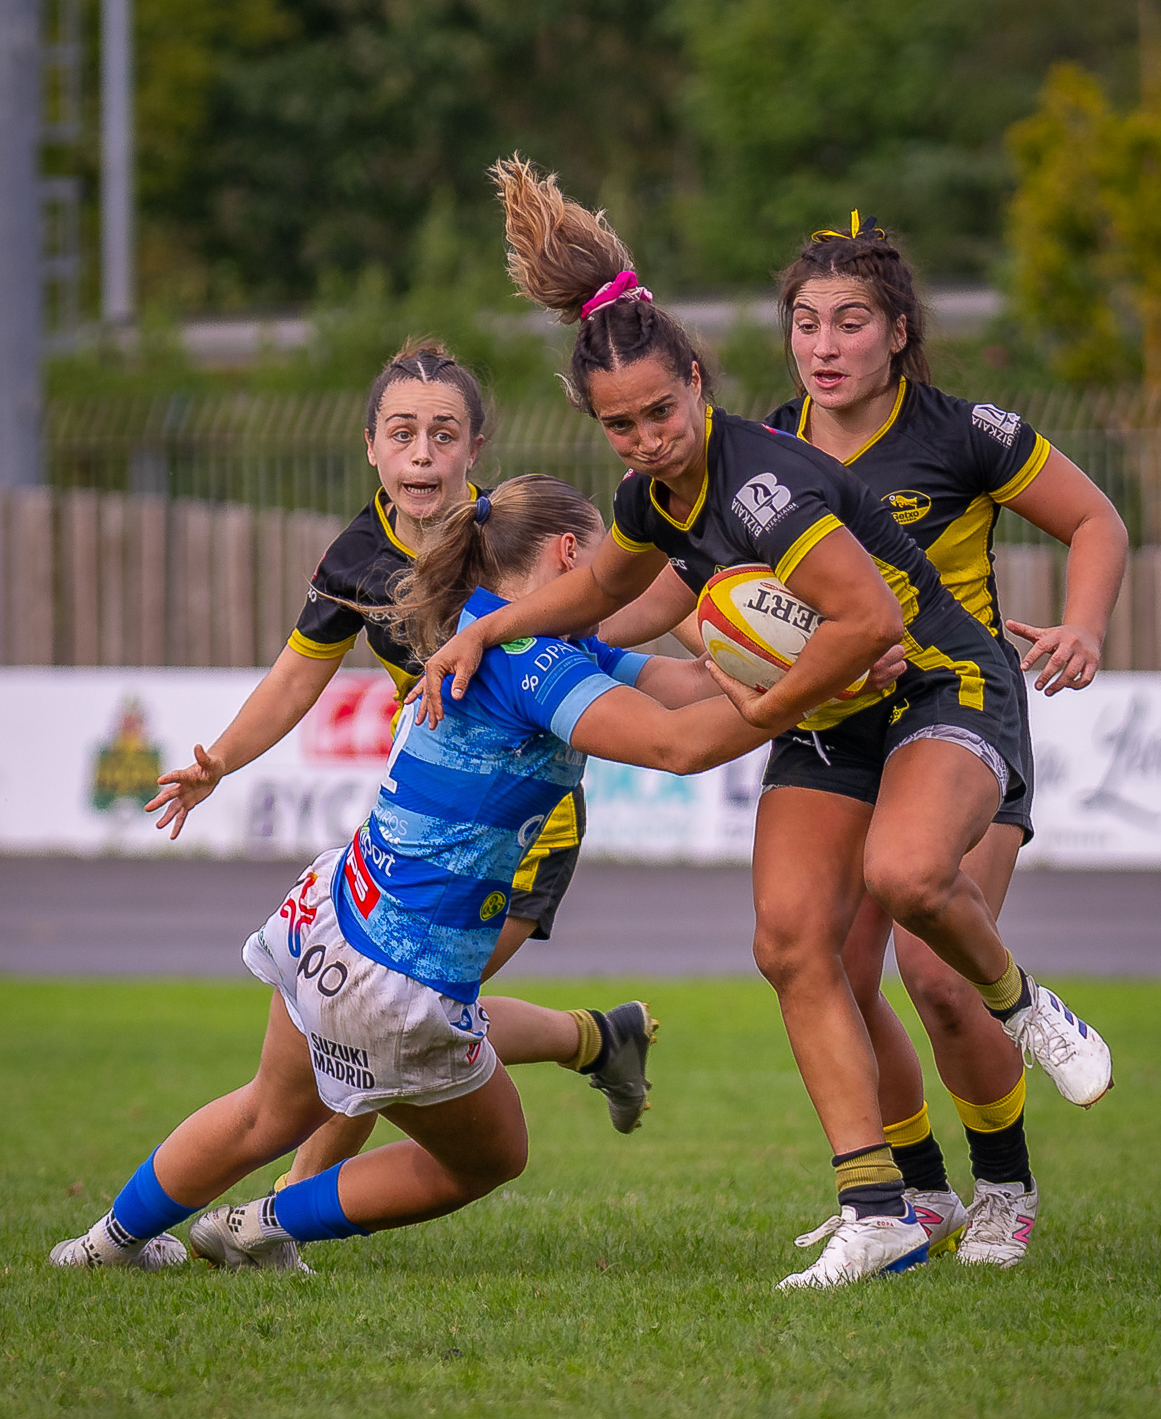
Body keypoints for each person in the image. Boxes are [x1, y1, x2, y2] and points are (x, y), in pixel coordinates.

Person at [414, 157, 1114, 1292]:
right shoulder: (657, 488)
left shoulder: (765, 486)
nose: (643, 438)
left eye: (658, 412)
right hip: (841, 707)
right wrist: (488, 632)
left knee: (903, 883)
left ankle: (1022, 1015)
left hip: (937, 685)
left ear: (697, 383)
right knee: (793, 946)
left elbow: (871, 619)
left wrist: (760, 706)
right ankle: (879, 1204)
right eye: (619, 425)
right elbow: (600, 589)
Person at [51, 476, 770, 1275]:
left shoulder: (486, 626)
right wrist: (811, 687)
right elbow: (677, 747)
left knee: (267, 1112)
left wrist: (785, 668)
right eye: (602, 559)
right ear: (570, 553)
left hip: (334, 913)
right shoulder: (534, 667)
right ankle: (260, 1224)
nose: (609, 578)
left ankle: (102, 1246)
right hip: (401, 968)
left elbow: (683, 689)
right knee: (487, 1159)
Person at [610, 213, 1128, 1267]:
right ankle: (911, 1197)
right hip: (836, 719)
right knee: (829, 969)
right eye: (805, 324)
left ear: (897, 331)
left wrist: (1081, 623)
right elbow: (674, 580)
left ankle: (1003, 1187)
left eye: (849, 322)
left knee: (938, 974)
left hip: (953, 701)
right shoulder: (760, 447)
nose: (824, 345)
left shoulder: (962, 432)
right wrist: (559, 629)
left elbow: (1095, 522)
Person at [145, 342, 646, 1178]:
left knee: (399, 1016)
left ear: (474, 451)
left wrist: (724, 652)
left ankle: (285, 1213)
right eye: (402, 432)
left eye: (443, 434)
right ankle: (597, 1037)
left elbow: (606, 612)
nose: (422, 453)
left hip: (528, 827)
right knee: (411, 1011)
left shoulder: (515, 532)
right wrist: (220, 761)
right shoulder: (354, 557)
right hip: (426, 826)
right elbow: (297, 676)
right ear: (371, 444)